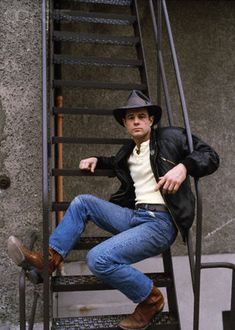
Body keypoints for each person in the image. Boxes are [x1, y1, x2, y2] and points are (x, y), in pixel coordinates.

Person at [7, 90, 219, 330]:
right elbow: (116, 163)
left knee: (98, 258)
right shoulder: (128, 151)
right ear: (125, 123)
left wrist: (183, 167)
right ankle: (50, 260)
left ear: (151, 120)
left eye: (142, 116)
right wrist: (97, 159)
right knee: (82, 202)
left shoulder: (171, 137)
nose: (136, 121)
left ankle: (151, 299)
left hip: (160, 223)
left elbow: (210, 155)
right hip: (136, 216)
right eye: (131, 118)